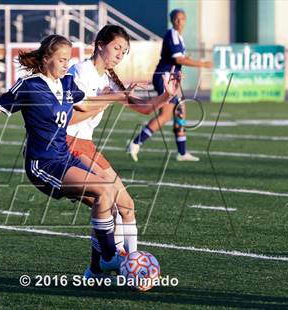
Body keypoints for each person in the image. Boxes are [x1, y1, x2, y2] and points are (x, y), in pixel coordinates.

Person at [0, 34, 136, 272]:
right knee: (104, 190)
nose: (67, 65)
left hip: (65, 157)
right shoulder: (30, 86)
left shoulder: (67, 84)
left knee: (107, 201)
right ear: (46, 59)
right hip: (42, 164)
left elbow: (86, 105)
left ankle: (95, 271)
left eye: (69, 60)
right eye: (62, 60)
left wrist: (118, 96)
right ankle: (109, 258)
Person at [65, 25, 180, 279]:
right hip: (68, 143)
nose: (120, 54)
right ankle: (107, 267)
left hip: (86, 144)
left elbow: (143, 109)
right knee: (107, 204)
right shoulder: (80, 71)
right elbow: (69, 118)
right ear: (100, 44)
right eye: (117, 48)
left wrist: (166, 97)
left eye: (125, 51)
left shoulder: (108, 78)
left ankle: (127, 266)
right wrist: (111, 98)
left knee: (126, 206)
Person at [128, 8, 212, 162]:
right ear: (172, 20)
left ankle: (182, 152)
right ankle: (135, 143)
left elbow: (178, 58)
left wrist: (187, 58)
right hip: (164, 78)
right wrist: (203, 64)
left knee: (180, 111)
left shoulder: (178, 36)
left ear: (186, 20)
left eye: (182, 19)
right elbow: (178, 60)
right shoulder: (172, 34)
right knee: (166, 115)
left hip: (170, 79)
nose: (179, 22)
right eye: (176, 19)